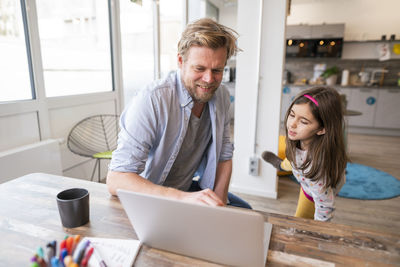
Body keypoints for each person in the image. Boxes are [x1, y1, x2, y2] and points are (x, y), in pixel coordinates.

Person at [107, 18, 251, 209]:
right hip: (147, 198)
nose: (209, 79)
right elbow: (116, 179)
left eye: (217, 70)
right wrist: (180, 198)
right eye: (199, 68)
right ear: (181, 61)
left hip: (186, 190)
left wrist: (219, 206)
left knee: (245, 212)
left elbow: (224, 154)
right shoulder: (152, 100)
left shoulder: (222, 96)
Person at [262, 86, 347, 221]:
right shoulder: (299, 138)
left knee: (299, 222)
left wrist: (317, 232)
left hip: (310, 189)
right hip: (301, 165)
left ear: (322, 129)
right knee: (291, 160)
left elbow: (325, 208)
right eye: (292, 115)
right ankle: (281, 165)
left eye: (303, 121)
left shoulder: (317, 172)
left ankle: (284, 165)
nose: (292, 124)